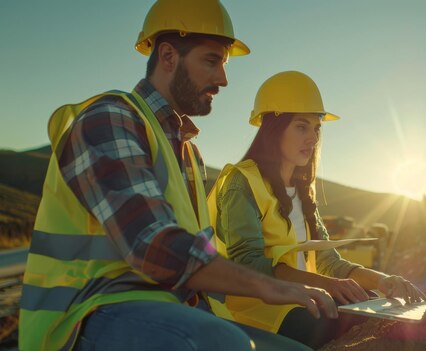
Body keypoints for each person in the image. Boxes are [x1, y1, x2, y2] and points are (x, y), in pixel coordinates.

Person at [18, 2, 337, 351]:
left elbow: (198, 252)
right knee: (219, 341)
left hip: (168, 312)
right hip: (85, 316)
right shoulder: (109, 119)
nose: (224, 79)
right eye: (212, 61)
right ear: (168, 56)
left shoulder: (188, 155)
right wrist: (273, 286)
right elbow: (154, 245)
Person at [208, 71, 426, 348]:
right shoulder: (242, 182)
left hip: (307, 300)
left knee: (376, 305)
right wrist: (326, 285)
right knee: (344, 323)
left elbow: (330, 263)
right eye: (301, 126)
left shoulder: (302, 191)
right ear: (273, 128)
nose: (312, 138)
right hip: (259, 311)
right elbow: (248, 263)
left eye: (316, 128)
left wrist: (385, 281)